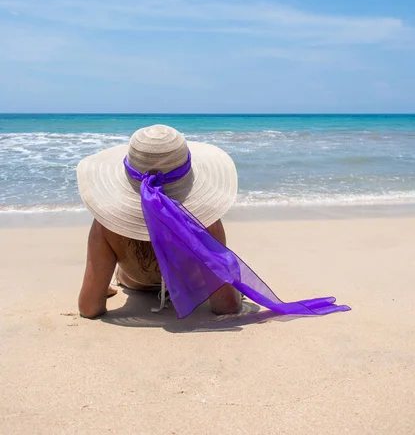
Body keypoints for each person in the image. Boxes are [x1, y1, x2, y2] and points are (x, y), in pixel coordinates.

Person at [77, 124, 350, 321]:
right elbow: (226, 306)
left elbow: (89, 308)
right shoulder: (204, 217)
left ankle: (115, 282)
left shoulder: (106, 223)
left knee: (119, 276)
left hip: (135, 283)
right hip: (193, 287)